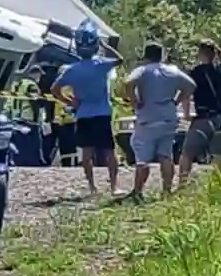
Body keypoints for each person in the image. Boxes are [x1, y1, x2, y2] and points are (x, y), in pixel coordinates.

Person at [51, 22, 124, 195]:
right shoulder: (101, 65)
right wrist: (105, 45)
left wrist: (69, 101)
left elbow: (54, 89)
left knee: (86, 153)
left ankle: (92, 187)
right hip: (103, 114)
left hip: (83, 114)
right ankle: (114, 187)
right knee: (109, 151)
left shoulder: (71, 70)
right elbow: (119, 60)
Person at [121, 42, 196, 198]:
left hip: (148, 118)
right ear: (161, 55)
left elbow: (128, 83)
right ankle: (167, 191)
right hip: (168, 117)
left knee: (143, 158)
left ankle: (137, 192)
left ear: (145, 55)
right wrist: (176, 100)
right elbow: (191, 86)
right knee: (166, 155)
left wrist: (134, 101)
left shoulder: (142, 70)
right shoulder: (172, 70)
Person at [180, 39, 221, 185]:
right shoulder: (220, 69)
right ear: (214, 54)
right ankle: (218, 183)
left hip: (202, 118)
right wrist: (217, 47)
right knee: (218, 154)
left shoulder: (194, 73)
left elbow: (186, 95)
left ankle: (182, 183)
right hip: (220, 117)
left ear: (200, 54)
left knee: (187, 153)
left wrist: (186, 114)